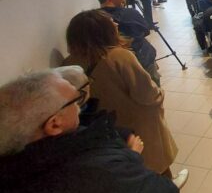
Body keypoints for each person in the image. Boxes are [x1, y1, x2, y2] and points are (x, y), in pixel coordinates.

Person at [0, 70, 182, 193]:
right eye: (76, 100)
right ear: (54, 124)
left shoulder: (14, 170)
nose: (80, 106)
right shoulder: (102, 175)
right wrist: (130, 158)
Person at [64, 10, 184, 180]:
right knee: (156, 164)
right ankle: (168, 186)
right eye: (111, 23)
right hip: (137, 124)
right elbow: (147, 94)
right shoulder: (120, 56)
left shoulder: (69, 64)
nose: (116, 24)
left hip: (105, 127)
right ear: (102, 32)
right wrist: (160, 95)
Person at [94, 0, 160, 85]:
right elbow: (146, 31)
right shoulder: (130, 13)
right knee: (153, 84)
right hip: (142, 58)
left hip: (116, 65)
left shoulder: (95, 18)